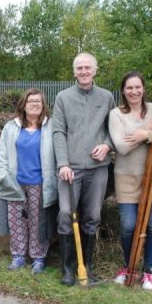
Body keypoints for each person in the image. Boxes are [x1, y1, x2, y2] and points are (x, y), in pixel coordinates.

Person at [109, 71, 152, 290]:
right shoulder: (116, 114)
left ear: (143, 88)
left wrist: (148, 135)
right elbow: (121, 146)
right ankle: (128, 266)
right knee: (129, 225)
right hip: (126, 177)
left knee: (151, 225)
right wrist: (147, 129)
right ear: (123, 91)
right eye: (129, 88)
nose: (134, 91)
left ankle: (149, 271)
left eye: (137, 87)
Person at [52, 52, 115, 286]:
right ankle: (68, 269)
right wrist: (63, 163)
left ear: (95, 70)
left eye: (88, 67)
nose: (84, 72)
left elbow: (114, 130)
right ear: (74, 71)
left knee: (93, 216)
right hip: (71, 169)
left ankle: (86, 266)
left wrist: (107, 146)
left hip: (98, 168)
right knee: (66, 214)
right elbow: (58, 131)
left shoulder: (107, 97)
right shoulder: (63, 98)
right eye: (79, 68)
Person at [0, 89, 57, 274]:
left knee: (38, 222)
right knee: (16, 221)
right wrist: (3, 178)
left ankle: (38, 258)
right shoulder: (11, 127)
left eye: (38, 101)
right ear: (24, 104)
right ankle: (18, 256)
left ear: (43, 105)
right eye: (31, 101)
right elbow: (1, 155)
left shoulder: (50, 127)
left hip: (39, 183)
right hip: (15, 183)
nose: (35, 104)